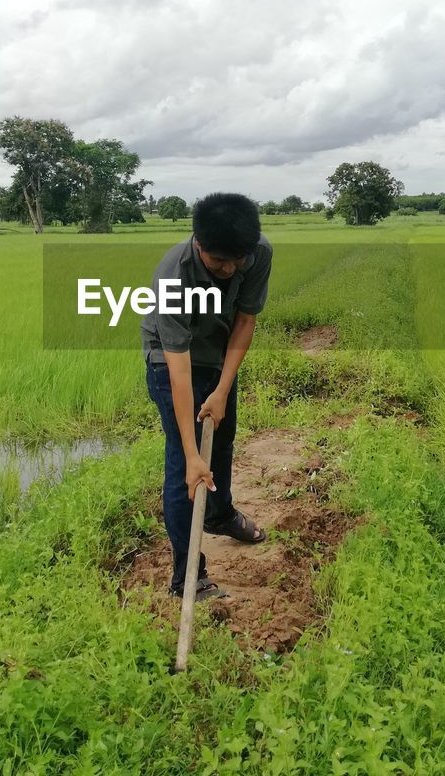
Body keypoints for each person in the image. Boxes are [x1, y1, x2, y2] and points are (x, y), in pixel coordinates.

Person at [141, 192, 273, 600]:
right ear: (199, 244)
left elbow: (246, 320)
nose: (231, 269)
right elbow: (180, 374)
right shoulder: (174, 276)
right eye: (220, 262)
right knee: (187, 465)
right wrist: (193, 453)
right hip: (171, 361)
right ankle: (187, 576)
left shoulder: (259, 253)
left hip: (217, 355)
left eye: (238, 260)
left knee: (224, 439)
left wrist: (220, 390)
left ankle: (219, 516)